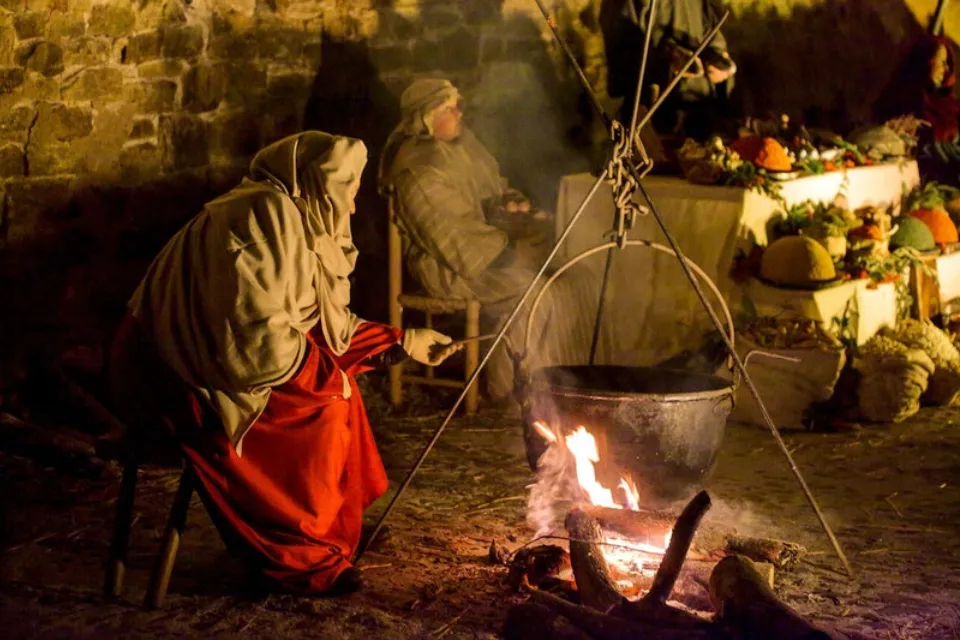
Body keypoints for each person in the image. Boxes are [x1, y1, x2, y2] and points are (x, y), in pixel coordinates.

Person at [108, 131, 461, 597]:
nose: (352, 211)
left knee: (341, 393)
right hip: (170, 374)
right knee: (328, 403)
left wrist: (403, 341)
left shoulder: (294, 217)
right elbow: (252, 337)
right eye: (347, 196)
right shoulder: (262, 217)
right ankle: (302, 557)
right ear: (317, 186)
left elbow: (318, 325)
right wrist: (328, 377)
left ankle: (327, 535)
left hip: (219, 357)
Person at [377, 78, 597, 406]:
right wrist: (511, 253)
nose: (459, 114)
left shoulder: (464, 147)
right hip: (451, 268)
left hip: (492, 248)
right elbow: (452, 236)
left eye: (457, 106)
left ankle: (573, 385)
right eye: (448, 109)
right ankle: (518, 393)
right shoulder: (417, 171)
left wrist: (516, 206)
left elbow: (496, 186)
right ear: (424, 118)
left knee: (580, 277)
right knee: (534, 294)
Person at [600, 0, 736, 142]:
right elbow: (621, 58)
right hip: (653, 116)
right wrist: (668, 59)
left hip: (699, 113)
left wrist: (718, 56)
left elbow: (709, 28)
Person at [875, 35, 960, 187]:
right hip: (928, 185)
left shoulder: (948, 104)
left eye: (948, 63)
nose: (946, 68)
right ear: (925, 62)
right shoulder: (902, 98)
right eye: (942, 62)